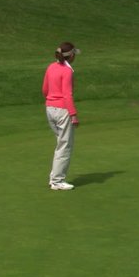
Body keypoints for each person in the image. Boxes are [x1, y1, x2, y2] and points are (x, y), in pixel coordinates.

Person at [42, 42, 81, 190]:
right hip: (62, 110)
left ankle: (54, 178)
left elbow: (45, 89)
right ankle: (57, 181)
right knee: (65, 146)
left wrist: (51, 101)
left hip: (50, 108)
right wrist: (73, 114)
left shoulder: (51, 66)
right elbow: (67, 94)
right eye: (74, 54)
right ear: (70, 56)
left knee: (61, 144)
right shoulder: (67, 71)